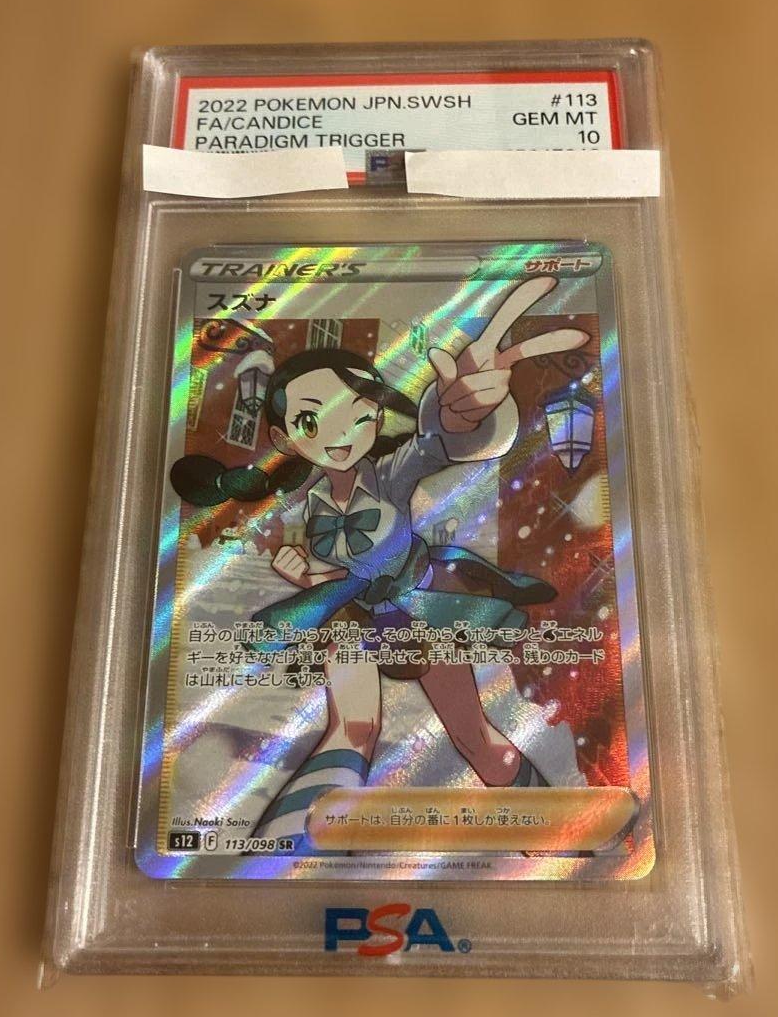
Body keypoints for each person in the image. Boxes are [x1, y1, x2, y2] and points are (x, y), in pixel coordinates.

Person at [171, 276, 587, 853]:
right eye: (313, 421)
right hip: (354, 620)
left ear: (374, 416)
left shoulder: (387, 475)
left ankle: (553, 838)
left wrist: (460, 414)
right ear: (285, 437)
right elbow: (337, 574)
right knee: (352, 729)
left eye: (357, 414)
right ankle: (284, 850)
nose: (340, 434)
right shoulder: (313, 502)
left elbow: (433, 444)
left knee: (473, 736)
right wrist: (305, 576)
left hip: (421, 609)